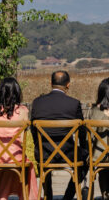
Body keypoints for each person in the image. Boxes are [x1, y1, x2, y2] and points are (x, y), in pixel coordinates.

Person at [31, 70, 87, 200]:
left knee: (42, 161)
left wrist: (37, 145)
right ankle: (68, 197)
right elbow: (82, 131)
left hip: (44, 152)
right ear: (68, 85)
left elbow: (33, 129)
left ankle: (48, 196)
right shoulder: (74, 103)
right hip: (68, 153)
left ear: (50, 83)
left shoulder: (38, 103)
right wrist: (84, 149)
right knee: (85, 160)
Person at [0, 77, 40, 200]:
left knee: (5, 163)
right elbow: (21, 139)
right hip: (16, 156)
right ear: (17, 92)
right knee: (25, 164)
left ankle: (2, 196)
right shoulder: (23, 112)